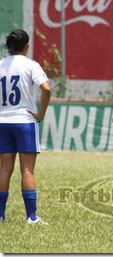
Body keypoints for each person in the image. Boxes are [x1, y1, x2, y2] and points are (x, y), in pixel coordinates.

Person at [0, 29, 51, 224]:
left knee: (4, 170)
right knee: (27, 170)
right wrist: (41, 113)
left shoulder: (1, 65)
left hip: (3, 121)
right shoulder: (31, 65)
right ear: (27, 46)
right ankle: (31, 217)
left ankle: (1, 215)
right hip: (24, 121)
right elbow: (46, 88)